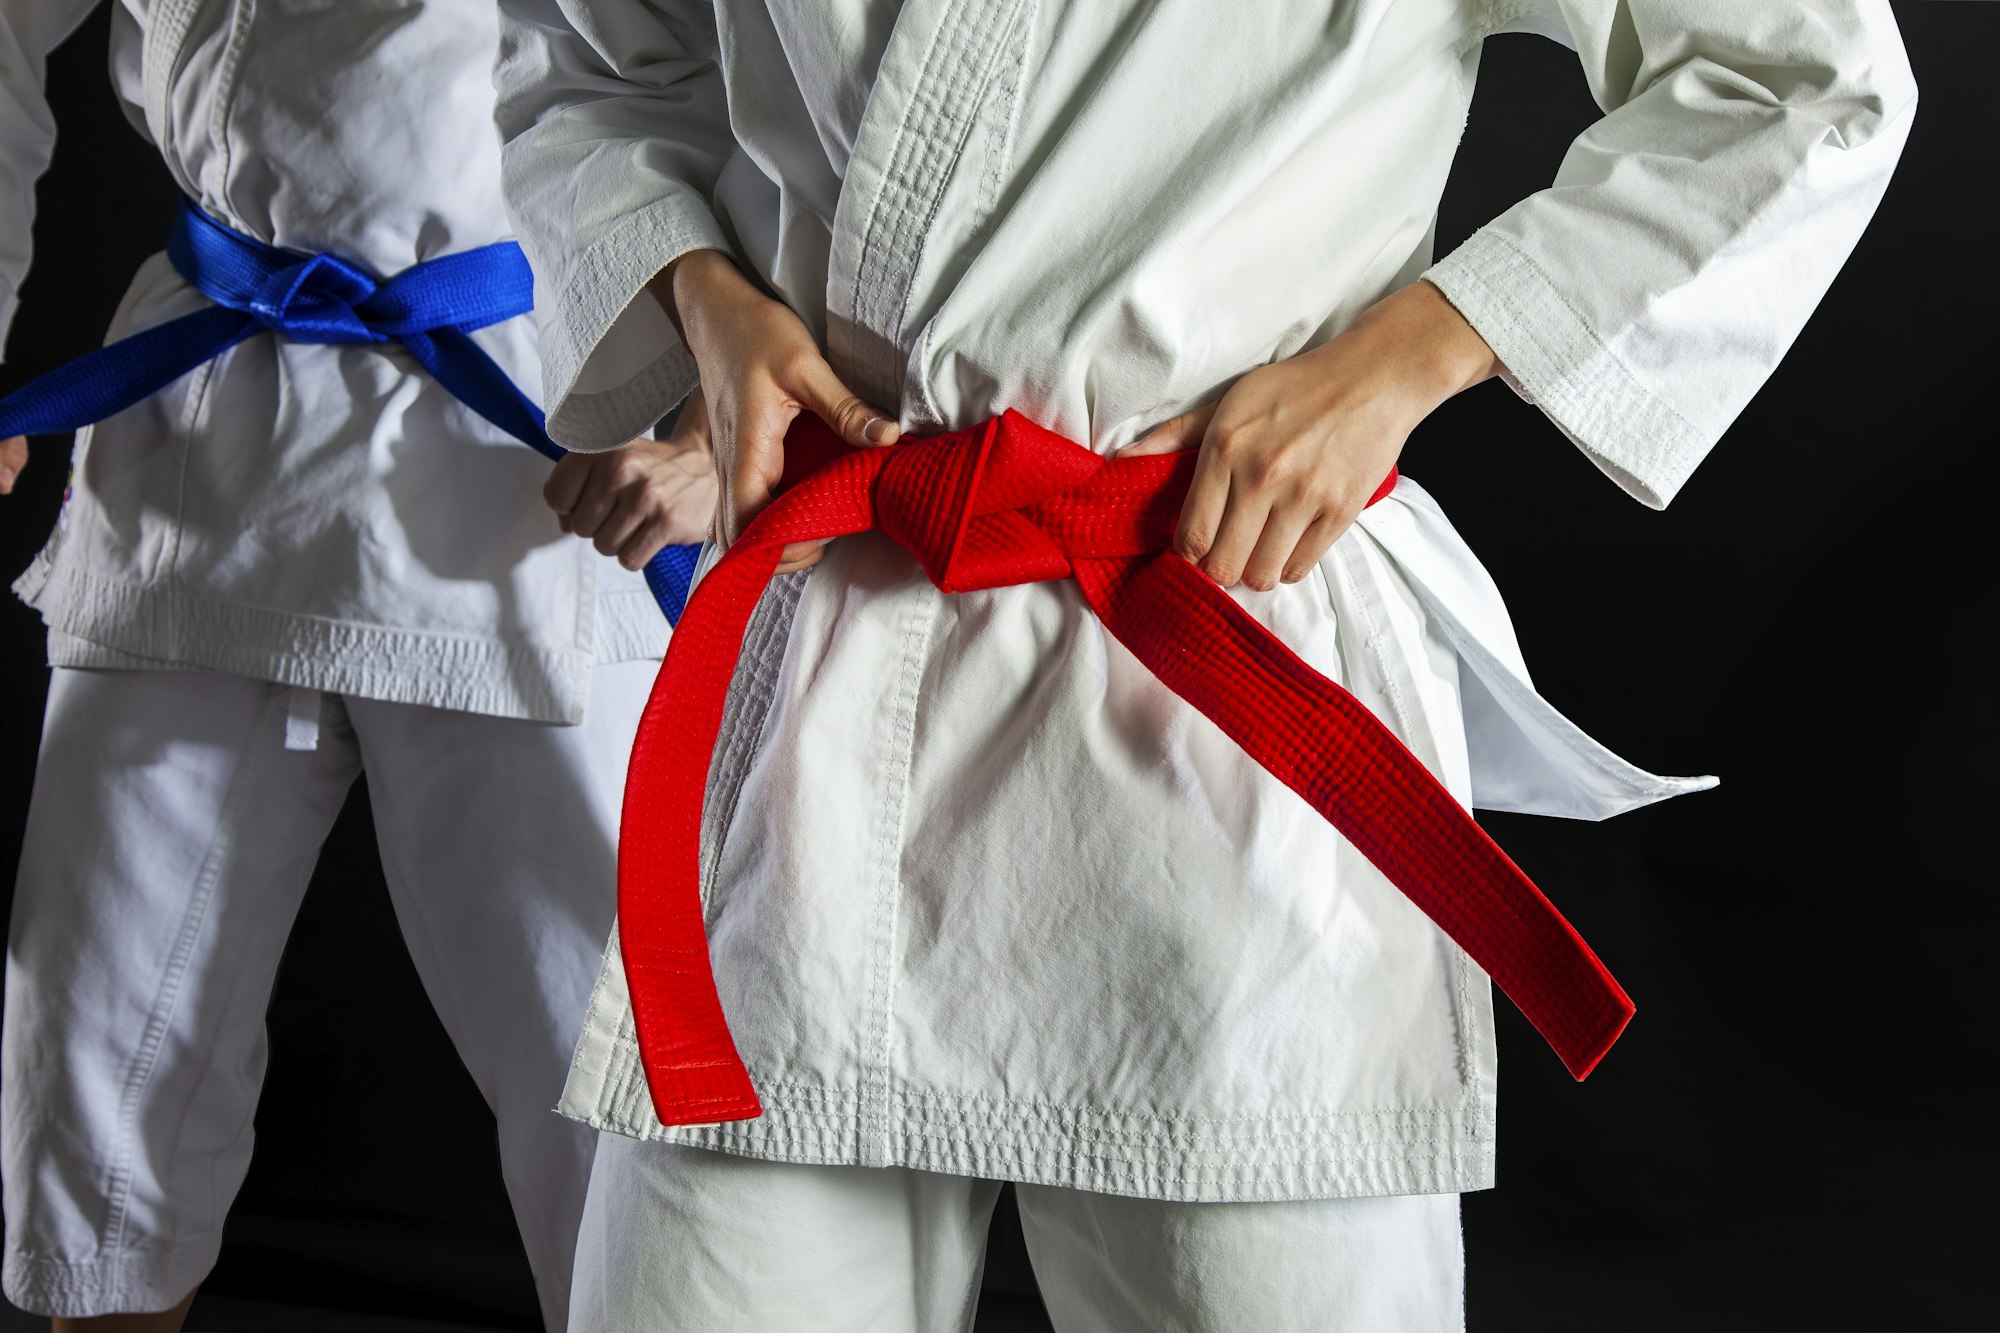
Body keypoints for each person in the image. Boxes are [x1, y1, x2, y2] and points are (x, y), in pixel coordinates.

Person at [497, 1, 1915, 1328]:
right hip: (837, 692)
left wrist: (1412, 356)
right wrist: (707, 304)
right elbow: (590, 54)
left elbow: (1804, 72)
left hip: (1225, 683)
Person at [0, 2, 716, 1328]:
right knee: (92, 1069)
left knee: (618, 1106)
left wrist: (720, 421)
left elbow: (782, 68)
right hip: (202, 437)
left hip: (536, 439)